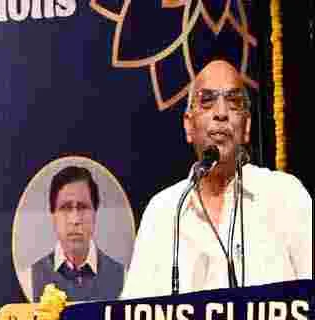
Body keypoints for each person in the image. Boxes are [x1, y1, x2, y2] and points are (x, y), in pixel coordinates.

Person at [122, 59, 312, 298]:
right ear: (188, 125)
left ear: (246, 127)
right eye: (207, 101)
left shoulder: (285, 196)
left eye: (233, 102)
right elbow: (133, 312)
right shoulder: (163, 211)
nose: (221, 113)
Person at [28, 166, 126, 302]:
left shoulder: (124, 277)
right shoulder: (30, 277)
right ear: (53, 215)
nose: (75, 220)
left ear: (95, 213)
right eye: (65, 208)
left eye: (83, 207)